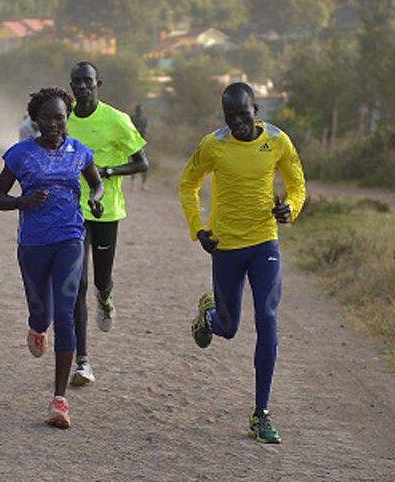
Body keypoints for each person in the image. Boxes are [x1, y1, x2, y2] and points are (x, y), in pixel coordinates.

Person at [178, 82, 306, 444]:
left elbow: (298, 186)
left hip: (264, 241)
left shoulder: (278, 141)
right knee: (229, 327)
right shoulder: (213, 145)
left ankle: (261, 412)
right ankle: (209, 315)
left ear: (257, 109)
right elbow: (187, 185)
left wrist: (290, 209)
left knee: (267, 318)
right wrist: (198, 229)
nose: (237, 122)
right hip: (226, 246)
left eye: (243, 114)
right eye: (229, 116)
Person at [0, 87, 104, 429]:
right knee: (43, 312)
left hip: (70, 236)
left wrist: (96, 200)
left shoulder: (79, 152)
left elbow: (95, 185)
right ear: (35, 120)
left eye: (60, 118)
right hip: (33, 243)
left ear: (67, 120)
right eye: (47, 118)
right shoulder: (20, 155)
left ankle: (59, 401)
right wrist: (22, 202)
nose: (54, 124)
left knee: (65, 313)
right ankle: (38, 327)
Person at [66, 61, 147, 386]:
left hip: (106, 210)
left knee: (100, 280)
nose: (82, 87)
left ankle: (106, 296)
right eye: (76, 82)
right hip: (72, 211)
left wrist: (109, 172)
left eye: (87, 81)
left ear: (98, 83)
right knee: (76, 285)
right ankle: (82, 361)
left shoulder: (117, 120)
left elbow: (142, 162)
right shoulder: (65, 118)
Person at [129, 104, 149, 191]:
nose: (140, 112)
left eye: (141, 111)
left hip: (142, 142)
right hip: (134, 142)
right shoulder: (132, 118)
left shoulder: (144, 119)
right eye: (139, 111)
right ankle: (133, 183)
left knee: (144, 162)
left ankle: (143, 184)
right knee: (135, 163)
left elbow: (145, 129)